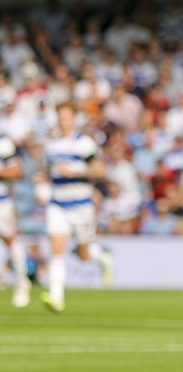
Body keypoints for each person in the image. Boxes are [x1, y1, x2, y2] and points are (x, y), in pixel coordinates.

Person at [41, 102, 113, 313]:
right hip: (57, 205)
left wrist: (74, 172)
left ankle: (102, 257)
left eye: (66, 117)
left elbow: (99, 170)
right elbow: (47, 171)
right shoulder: (51, 145)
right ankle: (56, 297)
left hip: (81, 206)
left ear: (74, 119)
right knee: (56, 250)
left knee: (83, 254)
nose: (63, 121)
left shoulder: (85, 144)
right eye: (60, 117)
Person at [0, 133, 31, 307]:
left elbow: (17, 170)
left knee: (11, 241)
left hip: (1, 202)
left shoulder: (3, 143)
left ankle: (21, 282)